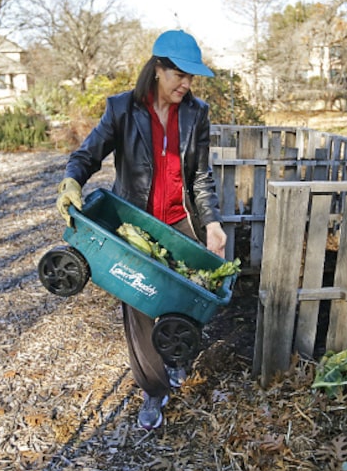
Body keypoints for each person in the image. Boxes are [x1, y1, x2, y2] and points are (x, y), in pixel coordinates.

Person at [55, 30, 227, 430]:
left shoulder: (195, 113)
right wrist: (71, 181)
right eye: (179, 75)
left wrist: (213, 224)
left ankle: (178, 359)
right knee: (140, 306)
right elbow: (87, 154)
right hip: (134, 225)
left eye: (191, 78)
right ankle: (153, 390)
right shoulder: (122, 109)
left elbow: (200, 176)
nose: (186, 84)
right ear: (157, 69)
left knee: (186, 300)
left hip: (177, 221)